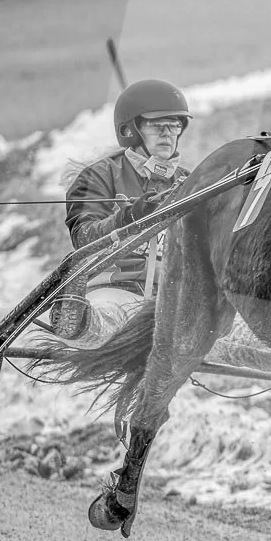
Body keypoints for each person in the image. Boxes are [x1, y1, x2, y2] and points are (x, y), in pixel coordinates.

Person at [60, 79, 193, 350]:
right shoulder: (99, 175)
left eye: (174, 125)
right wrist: (130, 216)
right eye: (157, 125)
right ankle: (76, 320)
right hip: (113, 290)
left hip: (170, 296)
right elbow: (84, 238)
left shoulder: (190, 182)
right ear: (131, 130)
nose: (167, 133)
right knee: (110, 318)